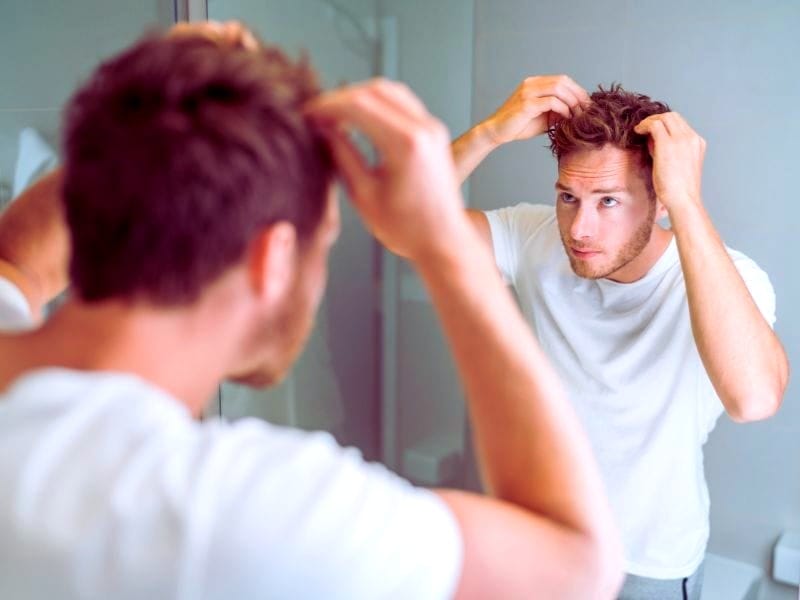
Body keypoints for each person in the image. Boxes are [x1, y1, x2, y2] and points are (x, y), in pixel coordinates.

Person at [0, 23, 623, 599]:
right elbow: (578, 563)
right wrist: (440, 242)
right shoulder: (239, 515)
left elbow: (18, 260)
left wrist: (153, 109)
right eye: (323, 240)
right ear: (271, 259)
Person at [452, 76, 790, 599]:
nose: (580, 229)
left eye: (608, 201)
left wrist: (688, 203)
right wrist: (488, 134)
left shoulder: (729, 277)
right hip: (541, 542)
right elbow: (400, 226)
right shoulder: (534, 237)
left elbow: (754, 398)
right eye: (569, 196)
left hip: (646, 566)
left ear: (658, 201)